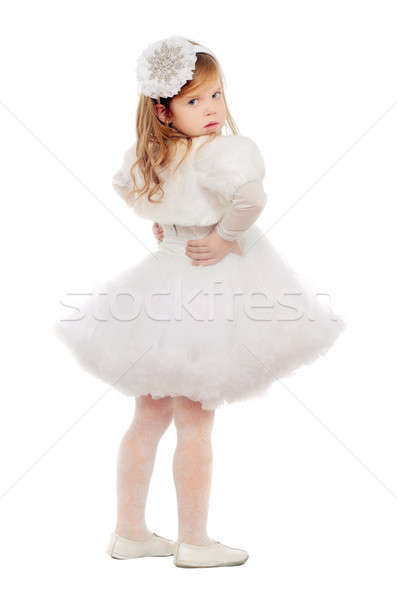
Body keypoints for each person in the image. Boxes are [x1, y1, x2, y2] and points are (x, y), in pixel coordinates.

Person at [53, 35, 346, 568]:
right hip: (206, 287)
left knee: (147, 415)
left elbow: (134, 194)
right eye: (195, 101)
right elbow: (251, 199)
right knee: (193, 421)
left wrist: (169, 227)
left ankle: (130, 533)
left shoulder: (155, 159)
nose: (212, 109)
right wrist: (227, 236)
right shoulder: (223, 153)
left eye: (216, 95)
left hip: (161, 282)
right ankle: (194, 541)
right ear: (164, 111)